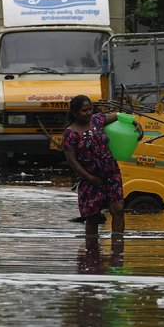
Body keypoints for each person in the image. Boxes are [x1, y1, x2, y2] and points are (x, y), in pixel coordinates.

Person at [63, 94, 126, 240]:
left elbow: (119, 116)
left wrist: (135, 123)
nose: (88, 113)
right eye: (84, 110)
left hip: (111, 174)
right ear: (75, 113)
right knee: (93, 217)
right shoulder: (70, 134)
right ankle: (91, 250)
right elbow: (72, 161)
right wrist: (90, 178)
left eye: (90, 109)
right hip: (90, 179)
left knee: (118, 210)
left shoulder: (97, 120)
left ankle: (118, 245)